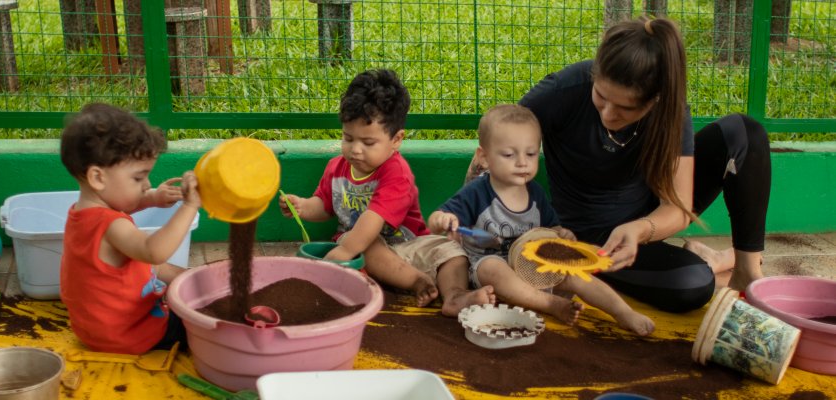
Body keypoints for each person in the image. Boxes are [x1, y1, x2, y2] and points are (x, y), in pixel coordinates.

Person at [515, 16, 770, 313]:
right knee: (693, 284)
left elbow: (677, 207)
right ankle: (711, 262)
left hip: (648, 219)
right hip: (595, 240)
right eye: (600, 96)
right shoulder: (560, 91)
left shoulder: (669, 109)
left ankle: (746, 271)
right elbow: (498, 143)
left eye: (626, 108)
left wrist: (639, 229)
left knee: (744, 132)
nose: (609, 114)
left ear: (654, 101)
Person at [279, 69, 495, 316]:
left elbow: (374, 218)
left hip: (409, 244)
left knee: (452, 252)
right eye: (348, 138)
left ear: (396, 139)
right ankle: (417, 282)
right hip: (363, 248)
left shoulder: (396, 173)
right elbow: (325, 204)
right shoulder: (336, 168)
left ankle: (455, 296)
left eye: (368, 143)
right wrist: (303, 207)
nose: (355, 150)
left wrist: (342, 254)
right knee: (365, 241)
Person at [430, 104, 654, 335]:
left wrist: (561, 234)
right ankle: (550, 305)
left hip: (531, 268)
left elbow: (551, 228)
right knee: (493, 268)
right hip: (487, 264)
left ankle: (622, 312)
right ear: (484, 157)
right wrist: (444, 219)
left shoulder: (535, 194)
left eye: (531, 153)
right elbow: (436, 218)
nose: (522, 162)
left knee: (574, 276)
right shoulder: (478, 192)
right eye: (509, 154)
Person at [59, 103, 200, 354]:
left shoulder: (81, 212)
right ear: (98, 178)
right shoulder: (112, 226)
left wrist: (152, 198)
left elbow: (121, 208)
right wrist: (189, 207)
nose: (147, 185)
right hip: (131, 333)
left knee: (179, 276)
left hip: (97, 329)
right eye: (138, 178)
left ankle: (190, 280)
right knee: (198, 319)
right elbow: (153, 251)